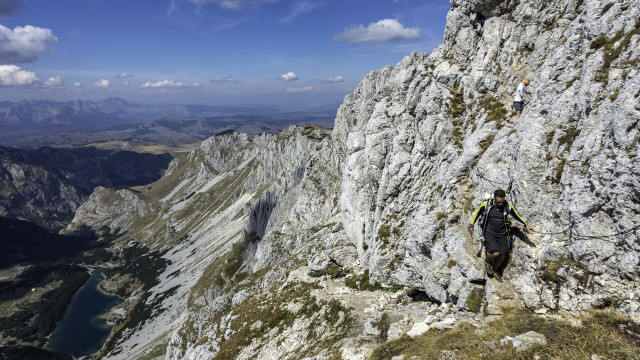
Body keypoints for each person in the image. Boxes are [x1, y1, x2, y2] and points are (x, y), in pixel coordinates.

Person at [468, 189, 534, 282]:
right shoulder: (486, 205)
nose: (500, 204)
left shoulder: (507, 206)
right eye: (498, 202)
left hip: (502, 233)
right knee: (496, 252)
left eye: (502, 202)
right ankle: (488, 262)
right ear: (494, 198)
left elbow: (516, 216)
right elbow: (476, 214)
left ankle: (495, 270)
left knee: (502, 255)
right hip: (489, 232)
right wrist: (471, 225)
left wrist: (526, 225)